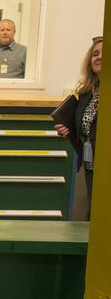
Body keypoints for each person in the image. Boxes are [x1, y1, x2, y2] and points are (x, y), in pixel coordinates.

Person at [56, 36, 101, 204]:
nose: (99, 57)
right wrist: (69, 131)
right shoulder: (87, 93)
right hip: (90, 165)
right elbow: (87, 128)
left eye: (105, 53)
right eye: (95, 54)